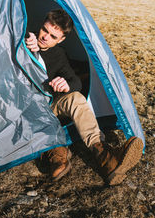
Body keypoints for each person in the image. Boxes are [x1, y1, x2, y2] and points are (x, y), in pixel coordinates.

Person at [25, 9, 143, 186]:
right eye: (44, 30)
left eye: (52, 36)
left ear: (61, 39)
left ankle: (105, 157)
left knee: (76, 98)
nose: (45, 38)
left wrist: (66, 84)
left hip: (49, 104)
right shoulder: (26, 38)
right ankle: (56, 152)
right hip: (24, 107)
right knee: (45, 121)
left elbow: (76, 82)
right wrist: (25, 41)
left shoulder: (59, 54)